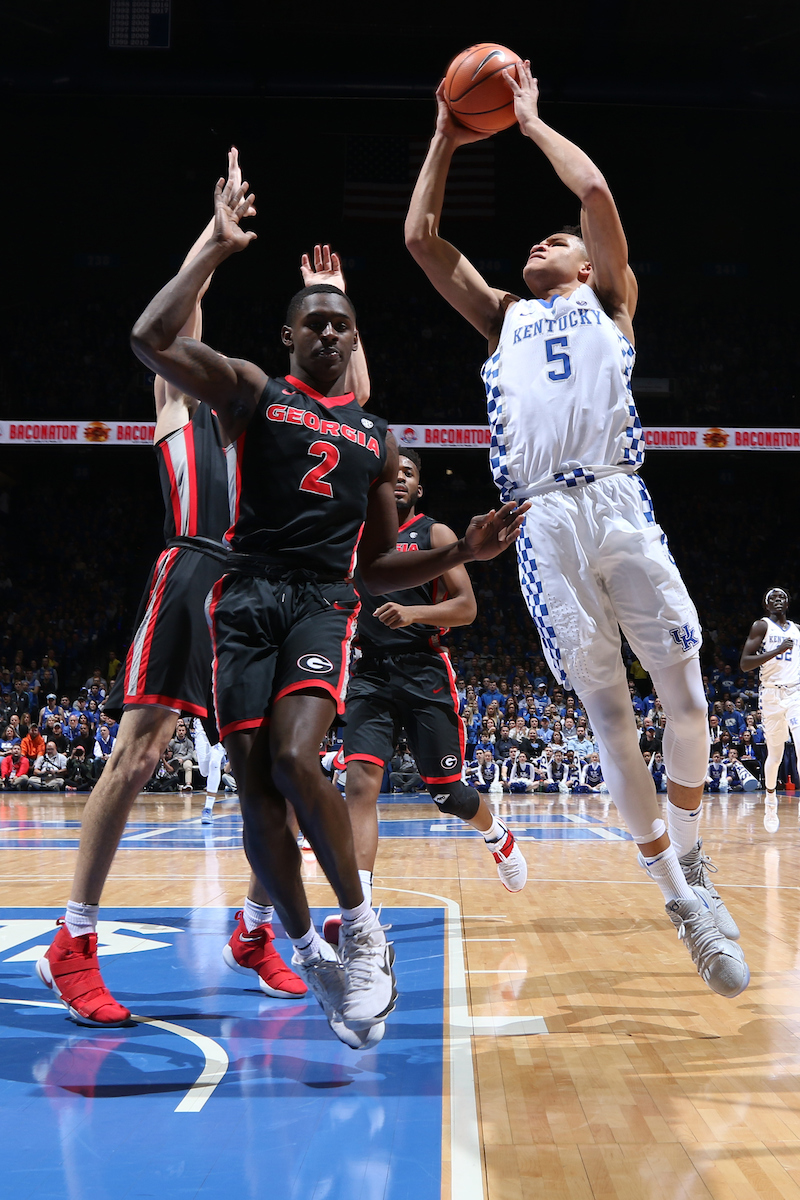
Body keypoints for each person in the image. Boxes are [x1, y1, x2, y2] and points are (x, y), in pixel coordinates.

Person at [128, 159, 526, 1047]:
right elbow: (152, 335)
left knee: (305, 758)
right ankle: (310, 953)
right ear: (287, 337)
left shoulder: (374, 437)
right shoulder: (253, 393)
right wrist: (214, 251)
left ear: (355, 340)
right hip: (245, 597)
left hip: (321, 602)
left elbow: (381, 562)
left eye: (342, 323)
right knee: (258, 792)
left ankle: (365, 929)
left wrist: (466, 550)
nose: (330, 332)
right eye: (315, 321)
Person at [405, 62, 748, 998]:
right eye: (537, 238)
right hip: (542, 520)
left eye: (559, 240)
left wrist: (527, 122)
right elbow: (421, 239)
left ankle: (691, 849)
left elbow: (592, 189)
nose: (543, 238)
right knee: (607, 718)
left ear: (593, 269)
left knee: (688, 705)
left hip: (619, 499)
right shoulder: (501, 316)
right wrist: (444, 132)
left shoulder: (612, 302)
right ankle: (681, 898)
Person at [36, 151, 304, 1026]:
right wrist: (216, 240)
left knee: (275, 776)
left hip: (254, 592)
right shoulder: (179, 400)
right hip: (190, 570)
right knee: (140, 753)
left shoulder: (263, 418)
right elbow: (173, 320)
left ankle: (256, 931)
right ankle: (72, 942)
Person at [339, 449, 527, 915]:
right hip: (370, 671)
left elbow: (466, 608)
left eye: (409, 474)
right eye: (392, 473)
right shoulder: (355, 535)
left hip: (423, 668)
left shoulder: (434, 532)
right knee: (361, 783)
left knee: (449, 795)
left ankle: (496, 835)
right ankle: (359, 910)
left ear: (419, 488)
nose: (400, 478)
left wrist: (413, 614)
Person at [740, 587, 800, 832]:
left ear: (787, 604)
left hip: (795, 692)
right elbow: (745, 663)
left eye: (782, 597)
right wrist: (777, 650)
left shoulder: (797, 630)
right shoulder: (761, 626)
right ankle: (771, 800)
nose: (778, 600)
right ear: (766, 605)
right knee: (775, 755)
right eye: (773, 598)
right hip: (771, 694)